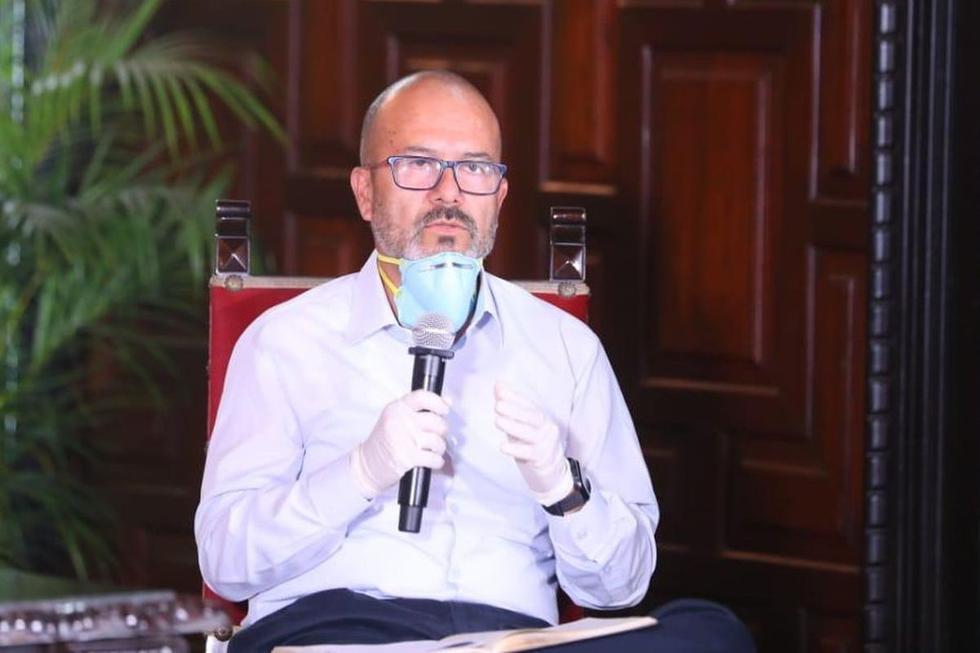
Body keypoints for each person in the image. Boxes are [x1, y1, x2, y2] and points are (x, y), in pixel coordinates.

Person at [195, 70, 755, 653]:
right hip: (343, 634)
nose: (449, 192)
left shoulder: (564, 347)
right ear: (364, 192)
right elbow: (225, 562)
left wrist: (565, 489)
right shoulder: (285, 341)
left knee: (710, 632)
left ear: (500, 197)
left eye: (476, 168)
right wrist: (358, 473)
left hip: (513, 639)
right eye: (417, 164)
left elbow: (621, 587)